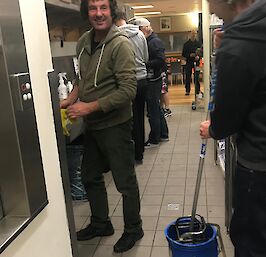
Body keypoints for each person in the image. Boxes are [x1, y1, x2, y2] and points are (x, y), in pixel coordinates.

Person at [199, 0, 266, 256]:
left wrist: (211, 129)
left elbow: (225, 122)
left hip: (260, 167)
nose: (209, 7)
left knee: (250, 245)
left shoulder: (236, 48)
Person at [60, 0, 143, 253]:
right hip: (93, 126)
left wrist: (89, 106)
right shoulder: (84, 41)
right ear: (87, 12)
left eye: (103, 8)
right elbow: (82, 78)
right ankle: (100, 223)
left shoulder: (121, 45)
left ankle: (133, 228)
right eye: (93, 8)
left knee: (124, 182)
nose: (98, 13)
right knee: (89, 176)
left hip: (115, 125)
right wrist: (72, 98)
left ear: (112, 11)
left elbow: (128, 90)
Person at [115, 10, 149, 165]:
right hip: (142, 80)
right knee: (140, 117)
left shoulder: (116, 37)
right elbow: (146, 57)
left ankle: (131, 154)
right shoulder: (140, 34)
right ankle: (140, 153)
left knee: (128, 119)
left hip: (127, 82)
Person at [129, 17, 169, 147]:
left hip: (153, 80)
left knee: (152, 111)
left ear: (144, 28)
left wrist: (145, 64)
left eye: (139, 30)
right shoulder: (150, 41)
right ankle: (163, 134)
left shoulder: (154, 42)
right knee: (156, 108)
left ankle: (154, 138)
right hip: (154, 79)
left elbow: (161, 60)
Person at [182, 30, 202, 96]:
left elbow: (202, 53)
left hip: (197, 62)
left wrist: (198, 57)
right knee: (188, 76)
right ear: (190, 34)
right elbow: (183, 54)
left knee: (197, 77)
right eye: (192, 33)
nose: (194, 35)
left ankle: (197, 91)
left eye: (195, 34)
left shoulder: (199, 43)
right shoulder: (186, 44)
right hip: (188, 62)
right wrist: (190, 55)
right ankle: (187, 90)